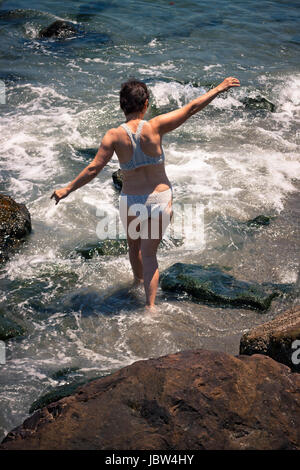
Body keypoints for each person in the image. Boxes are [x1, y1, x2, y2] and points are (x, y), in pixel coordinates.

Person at [51, 76, 240, 310]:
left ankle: (136, 283)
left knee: (134, 247)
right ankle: (150, 308)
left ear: (122, 106)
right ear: (146, 103)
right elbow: (191, 108)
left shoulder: (113, 136)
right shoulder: (155, 126)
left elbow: (93, 168)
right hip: (159, 200)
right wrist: (219, 88)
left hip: (131, 202)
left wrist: (67, 188)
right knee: (150, 255)